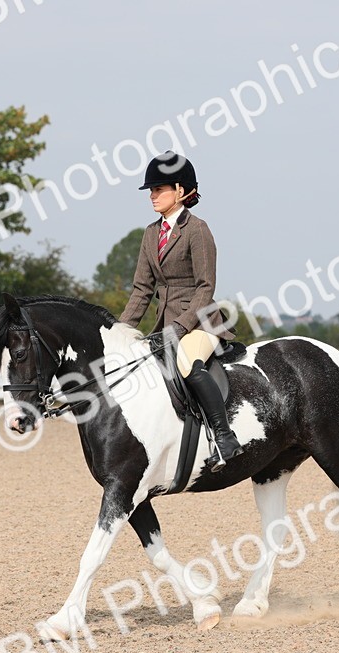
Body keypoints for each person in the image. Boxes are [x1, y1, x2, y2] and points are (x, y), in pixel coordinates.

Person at [120, 151, 242, 472]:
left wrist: (180, 326)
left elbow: (206, 287)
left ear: (180, 190)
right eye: (151, 190)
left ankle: (224, 437)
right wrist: (118, 333)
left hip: (200, 323)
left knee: (187, 363)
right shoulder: (150, 233)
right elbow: (142, 290)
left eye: (158, 189)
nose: (152, 196)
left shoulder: (197, 230)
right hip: (164, 325)